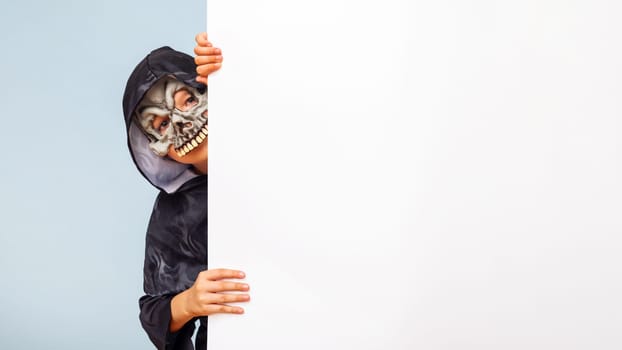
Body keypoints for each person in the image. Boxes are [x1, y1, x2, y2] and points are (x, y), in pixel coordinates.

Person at [122, 32, 250, 350]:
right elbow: (154, 310)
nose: (183, 124)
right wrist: (189, 302)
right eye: (162, 124)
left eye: (189, 100)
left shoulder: (269, 144)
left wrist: (235, 64)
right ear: (155, 149)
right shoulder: (173, 213)